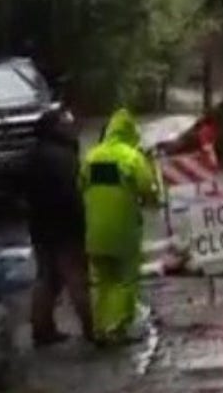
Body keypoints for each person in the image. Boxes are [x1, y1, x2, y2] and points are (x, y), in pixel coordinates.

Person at [80, 108, 159, 345]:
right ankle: (116, 327)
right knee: (125, 280)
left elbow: (80, 185)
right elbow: (148, 189)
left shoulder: (91, 157)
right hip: (123, 231)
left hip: (94, 232)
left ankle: (101, 327)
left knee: (102, 282)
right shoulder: (132, 158)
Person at [25, 108, 93, 346]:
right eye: (67, 124)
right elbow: (72, 195)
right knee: (77, 278)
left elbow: (9, 177)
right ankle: (92, 329)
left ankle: (41, 329)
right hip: (66, 226)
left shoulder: (32, 154)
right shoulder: (63, 158)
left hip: (40, 225)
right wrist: (84, 221)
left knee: (47, 278)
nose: (72, 128)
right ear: (56, 129)